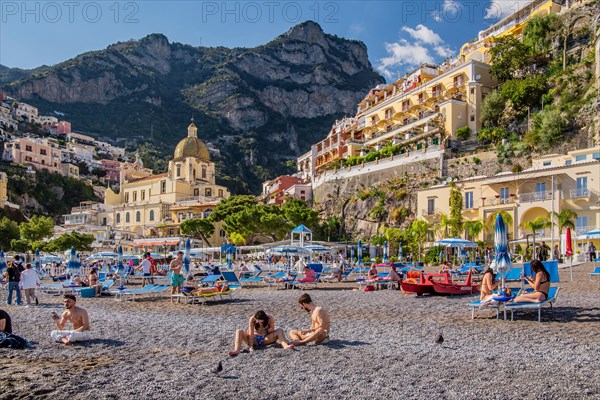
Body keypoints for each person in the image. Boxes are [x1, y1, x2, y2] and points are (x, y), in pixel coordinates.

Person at [228, 310, 294, 356]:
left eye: (261, 322)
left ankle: (285, 346)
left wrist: (266, 330)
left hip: (265, 338)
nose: (259, 323)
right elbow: (251, 333)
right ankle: (237, 350)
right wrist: (251, 346)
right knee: (239, 331)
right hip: (254, 339)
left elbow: (272, 329)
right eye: (258, 321)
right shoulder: (252, 319)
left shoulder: (270, 318)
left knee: (280, 330)